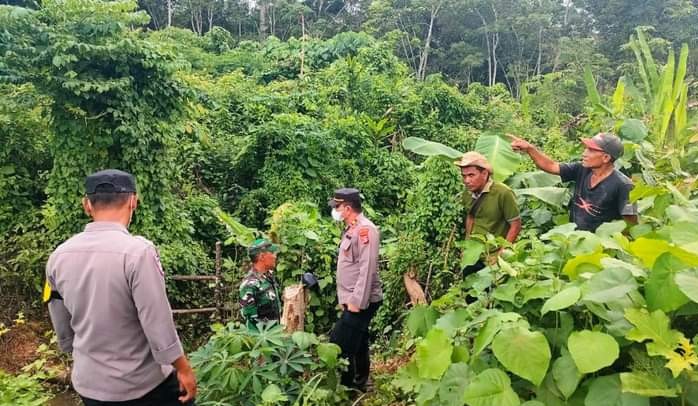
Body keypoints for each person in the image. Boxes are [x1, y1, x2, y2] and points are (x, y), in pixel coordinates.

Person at [43, 169, 196, 405]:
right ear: (133, 201)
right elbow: (157, 323)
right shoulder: (138, 253)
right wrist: (183, 369)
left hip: (89, 385)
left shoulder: (58, 256)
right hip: (142, 386)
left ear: (87, 205)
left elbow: (61, 324)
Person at [510, 132, 638, 232]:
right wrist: (530, 149)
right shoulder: (581, 169)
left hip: (600, 248)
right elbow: (551, 166)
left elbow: (630, 224)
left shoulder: (624, 185)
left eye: (591, 150)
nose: (584, 153)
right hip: (575, 241)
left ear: (606, 157)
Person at [328, 188, 383, 391]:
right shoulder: (351, 228)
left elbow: (366, 269)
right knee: (358, 339)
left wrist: (356, 302)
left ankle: (347, 387)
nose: (335, 210)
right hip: (351, 297)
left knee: (341, 343)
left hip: (361, 301)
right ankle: (361, 382)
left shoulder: (365, 230)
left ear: (348, 208)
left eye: (337, 207)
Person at [455, 152, 522, 277]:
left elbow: (515, 224)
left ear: (485, 174)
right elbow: (471, 216)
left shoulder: (503, 193)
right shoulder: (467, 193)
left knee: (491, 292)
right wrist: (466, 245)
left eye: (471, 175)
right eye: (464, 176)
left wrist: (502, 253)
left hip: (493, 255)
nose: (466, 180)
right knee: (470, 292)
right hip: (473, 253)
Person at [239, 238, 282, 330]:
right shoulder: (250, 284)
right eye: (272, 253)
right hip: (261, 338)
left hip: (276, 334)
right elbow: (251, 317)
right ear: (262, 256)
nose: (275, 256)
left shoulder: (269, 276)